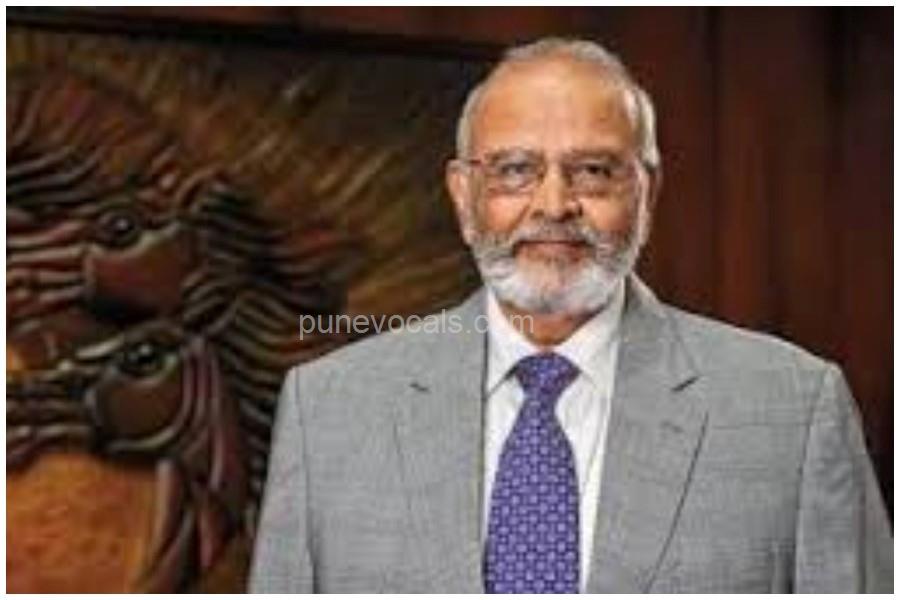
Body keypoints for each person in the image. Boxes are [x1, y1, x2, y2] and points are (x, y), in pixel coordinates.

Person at [248, 37, 892, 593]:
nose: (554, 204)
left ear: (646, 193)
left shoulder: (794, 412)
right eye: (515, 170)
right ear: (463, 196)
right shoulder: (327, 412)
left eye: (593, 171)